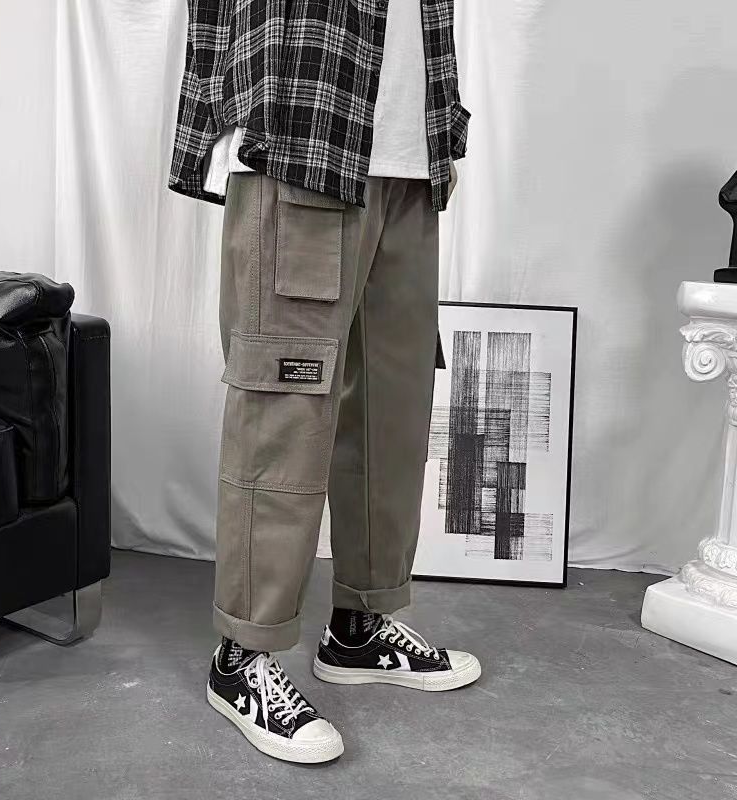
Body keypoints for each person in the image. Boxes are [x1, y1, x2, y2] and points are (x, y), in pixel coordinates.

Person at [169, 0, 479, 764]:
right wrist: (215, 120)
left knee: (392, 408)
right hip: (303, 140)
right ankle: (242, 655)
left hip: (412, 166)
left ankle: (361, 625)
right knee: (283, 409)